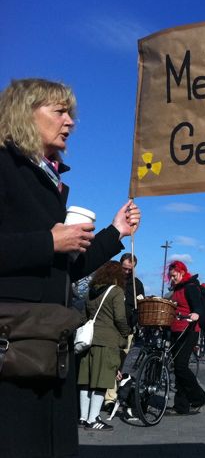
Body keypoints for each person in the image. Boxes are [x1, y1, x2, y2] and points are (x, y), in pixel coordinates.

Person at [0, 79, 140, 457]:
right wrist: (49, 241)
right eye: (59, 111)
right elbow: (47, 249)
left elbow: (66, 268)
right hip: (13, 347)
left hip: (48, 344)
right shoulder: (6, 165)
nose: (70, 122)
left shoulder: (50, 179)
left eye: (70, 113)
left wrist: (116, 233)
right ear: (25, 114)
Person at [77, 261, 130, 431]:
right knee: (101, 382)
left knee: (86, 381)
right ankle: (94, 419)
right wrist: (125, 332)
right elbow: (120, 318)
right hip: (107, 341)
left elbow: (84, 316)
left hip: (89, 341)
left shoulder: (90, 292)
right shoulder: (116, 291)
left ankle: (83, 417)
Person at [103, 252, 145, 411]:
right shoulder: (112, 281)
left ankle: (111, 395)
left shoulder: (137, 284)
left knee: (120, 362)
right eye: (125, 268)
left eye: (130, 269)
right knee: (109, 362)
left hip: (127, 328)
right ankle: (108, 398)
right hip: (111, 326)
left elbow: (140, 305)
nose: (126, 272)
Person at [167, 260, 205, 414]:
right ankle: (181, 406)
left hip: (189, 330)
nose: (172, 278)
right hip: (176, 330)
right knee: (177, 368)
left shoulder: (190, 287)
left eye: (174, 275)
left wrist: (196, 313)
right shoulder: (176, 289)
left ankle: (199, 397)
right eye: (170, 276)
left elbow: (197, 306)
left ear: (182, 272)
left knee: (181, 366)